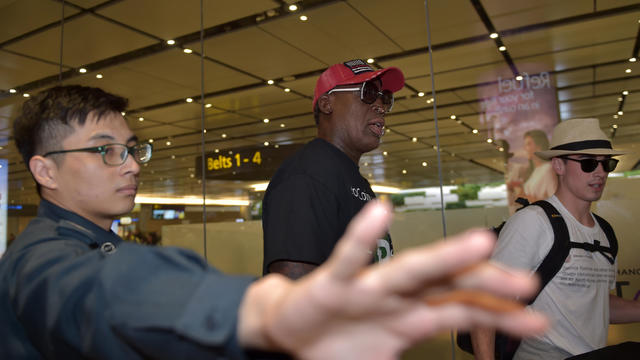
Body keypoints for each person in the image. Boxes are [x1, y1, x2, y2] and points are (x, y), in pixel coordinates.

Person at [0, 85, 549, 359]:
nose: (134, 164)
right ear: (43, 170)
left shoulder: (98, 243)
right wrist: (263, 308)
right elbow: (90, 295)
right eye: (105, 151)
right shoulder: (40, 257)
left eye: (132, 147)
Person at [471, 118, 640, 360]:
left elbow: (597, 305)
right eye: (589, 163)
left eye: (607, 164)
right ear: (558, 165)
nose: (600, 172)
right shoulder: (533, 222)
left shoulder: (604, 232)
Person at [262, 59, 401, 279]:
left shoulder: (349, 177)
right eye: (368, 92)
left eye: (385, 98)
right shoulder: (307, 175)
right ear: (327, 104)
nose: (380, 106)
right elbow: (293, 287)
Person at [521, 129, 557, 203]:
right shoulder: (535, 170)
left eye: (528, 144)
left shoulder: (548, 169)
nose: (525, 148)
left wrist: (528, 199)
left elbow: (556, 203)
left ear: (539, 146)